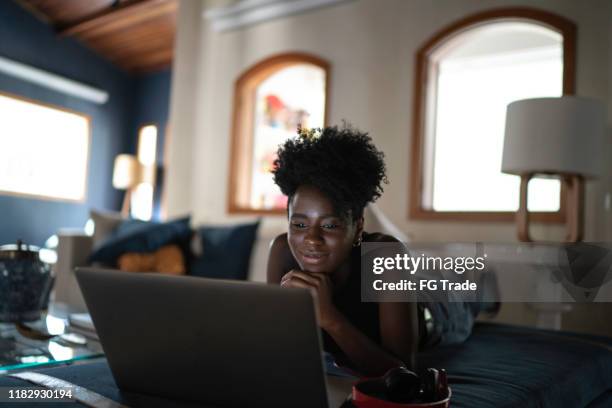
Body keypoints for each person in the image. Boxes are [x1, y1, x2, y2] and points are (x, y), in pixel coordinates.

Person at [267, 125, 419, 377]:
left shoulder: (387, 255)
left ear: (358, 227)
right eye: (300, 224)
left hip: (434, 312)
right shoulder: (282, 250)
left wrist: (329, 317)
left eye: (330, 225)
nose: (312, 239)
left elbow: (404, 372)